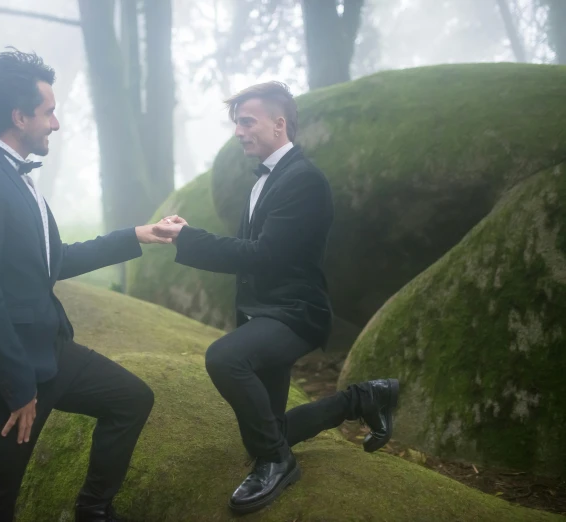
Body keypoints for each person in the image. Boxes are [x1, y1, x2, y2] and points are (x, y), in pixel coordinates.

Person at [0, 49, 169, 522]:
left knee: (131, 399)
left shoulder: (19, 179)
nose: (57, 124)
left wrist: (137, 235)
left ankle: (93, 511)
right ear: (19, 116)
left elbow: (53, 261)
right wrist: (18, 386)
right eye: (49, 112)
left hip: (47, 351)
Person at [153, 81, 399, 515]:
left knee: (225, 359)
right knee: (267, 430)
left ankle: (278, 463)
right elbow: (256, 252)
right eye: (236, 123)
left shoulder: (304, 180)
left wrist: (189, 239)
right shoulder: (265, 182)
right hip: (265, 313)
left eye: (247, 121)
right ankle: (364, 399)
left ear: (279, 123)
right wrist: (190, 236)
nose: (238, 132)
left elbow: (266, 257)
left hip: (295, 313)